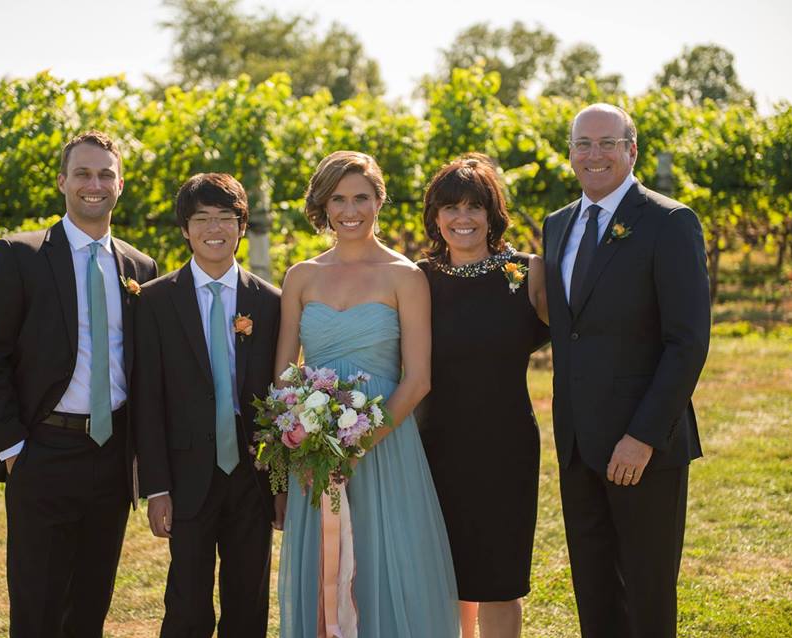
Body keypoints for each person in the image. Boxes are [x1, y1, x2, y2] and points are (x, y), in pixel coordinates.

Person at [0, 130, 158, 637]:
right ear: (62, 182)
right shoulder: (18, 256)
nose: (94, 184)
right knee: (37, 606)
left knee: (91, 605)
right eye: (83, 173)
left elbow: (141, 368)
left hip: (111, 456)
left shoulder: (140, 268)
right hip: (41, 452)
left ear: (121, 184)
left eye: (105, 174)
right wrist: (12, 448)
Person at [542, 103, 710, 637]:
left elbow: (687, 343)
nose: (594, 155)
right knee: (594, 590)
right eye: (583, 144)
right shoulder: (557, 225)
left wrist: (642, 436)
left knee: (647, 590)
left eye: (607, 143)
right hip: (576, 445)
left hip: (642, 448)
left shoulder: (669, 221)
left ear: (630, 150)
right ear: (570, 152)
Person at [276, 151, 460, 637]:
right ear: (323, 205)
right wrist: (308, 434)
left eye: (360, 197)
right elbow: (283, 372)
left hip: (385, 443)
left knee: (387, 557)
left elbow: (418, 378)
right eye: (338, 198)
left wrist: (358, 443)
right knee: (324, 563)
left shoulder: (405, 276)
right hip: (315, 450)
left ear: (379, 201)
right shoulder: (300, 275)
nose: (349, 209)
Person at [131, 173, 284, 638]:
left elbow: (281, 398)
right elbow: (147, 399)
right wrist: (156, 486)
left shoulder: (272, 302)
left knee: (248, 601)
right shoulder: (155, 301)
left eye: (225, 218)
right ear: (185, 228)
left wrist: (280, 482)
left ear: (241, 226)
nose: (213, 228)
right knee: (186, 603)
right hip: (185, 475)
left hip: (251, 474)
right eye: (201, 218)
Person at [417, 154, 549, 638]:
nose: (463, 218)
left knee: (498, 578)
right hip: (437, 447)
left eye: (475, 206)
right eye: (450, 207)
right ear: (435, 216)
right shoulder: (419, 278)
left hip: (506, 445)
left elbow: (584, 340)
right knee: (442, 575)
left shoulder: (528, 272)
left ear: (493, 214)